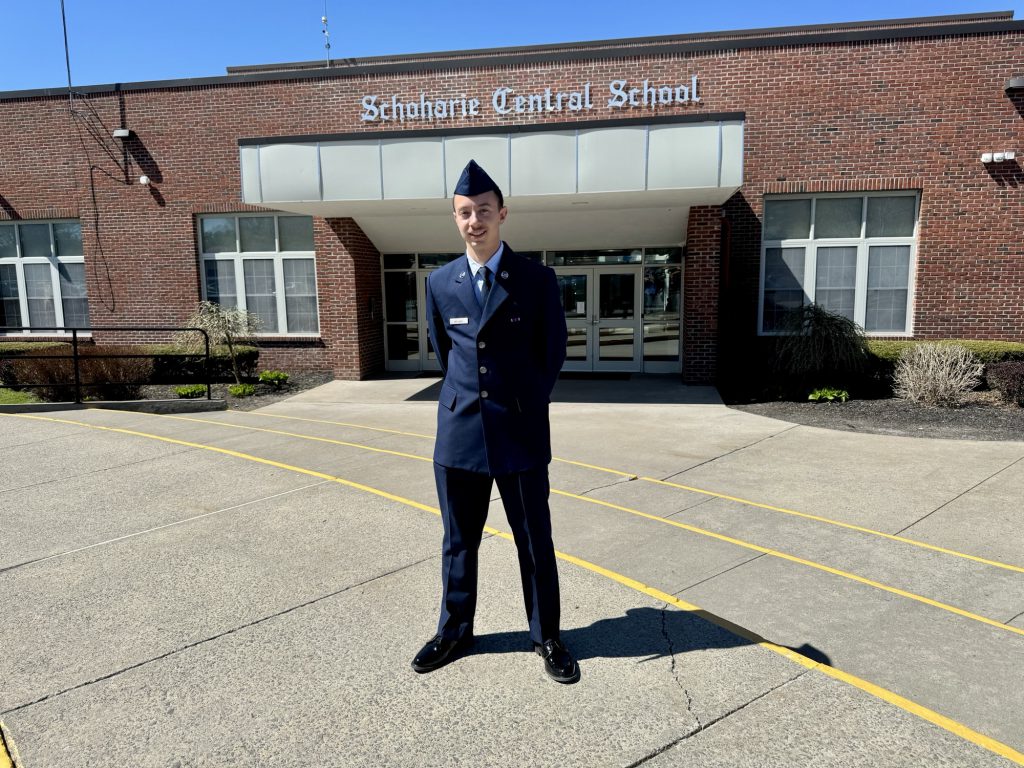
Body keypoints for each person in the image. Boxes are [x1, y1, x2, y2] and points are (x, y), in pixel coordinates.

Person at [411, 159, 578, 684]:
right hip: (459, 436)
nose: (474, 220)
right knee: (459, 541)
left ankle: (546, 635)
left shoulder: (535, 279)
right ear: (455, 219)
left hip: (520, 434)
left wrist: (522, 404)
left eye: (483, 210)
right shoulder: (440, 283)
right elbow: (445, 351)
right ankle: (455, 631)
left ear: (502, 214)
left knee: (534, 542)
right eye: (464, 213)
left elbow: (551, 354)